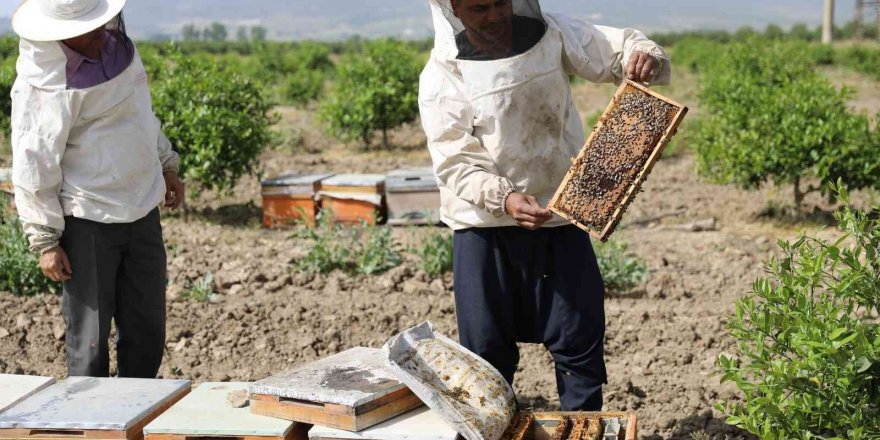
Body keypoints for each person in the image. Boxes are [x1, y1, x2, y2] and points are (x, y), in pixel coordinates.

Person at [420, 0, 671, 410]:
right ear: (455, 11)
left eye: (501, 3)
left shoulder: (552, 33)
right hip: (484, 227)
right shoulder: (442, 74)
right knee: (486, 355)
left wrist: (640, 57)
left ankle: (584, 429)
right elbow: (455, 160)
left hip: (562, 215)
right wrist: (502, 197)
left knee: (579, 346)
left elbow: (616, 47)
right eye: (480, 8)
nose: (495, 15)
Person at [10, 0, 184, 378]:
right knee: (89, 341)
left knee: (146, 330)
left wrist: (166, 162)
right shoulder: (41, 84)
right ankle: (93, 426)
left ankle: (135, 423)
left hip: (142, 210)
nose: (98, 34)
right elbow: (33, 162)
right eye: (87, 28)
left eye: (100, 24)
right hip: (87, 220)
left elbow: (140, 115)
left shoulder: (120, 52)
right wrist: (44, 239)